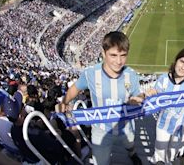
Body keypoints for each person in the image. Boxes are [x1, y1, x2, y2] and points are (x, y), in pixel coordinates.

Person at [60, 31, 143, 165]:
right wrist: (64, 101)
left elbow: (137, 94)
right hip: (100, 129)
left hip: (126, 126)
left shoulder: (131, 75)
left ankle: (132, 153)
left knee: (130, 143)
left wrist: (138, 98)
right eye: (113, 55)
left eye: (123, 55)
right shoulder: (91, 73)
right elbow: (75, 88)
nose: (119, 61)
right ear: (103, 53)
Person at [147, 47, 184, 164]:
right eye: (182, 61)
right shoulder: (164, 79)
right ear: (176, 60)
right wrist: (150, 93)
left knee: (172, 155)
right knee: (159, 154)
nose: (183, 67)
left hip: (182, 128)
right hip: (164, 124)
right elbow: (156, 92)